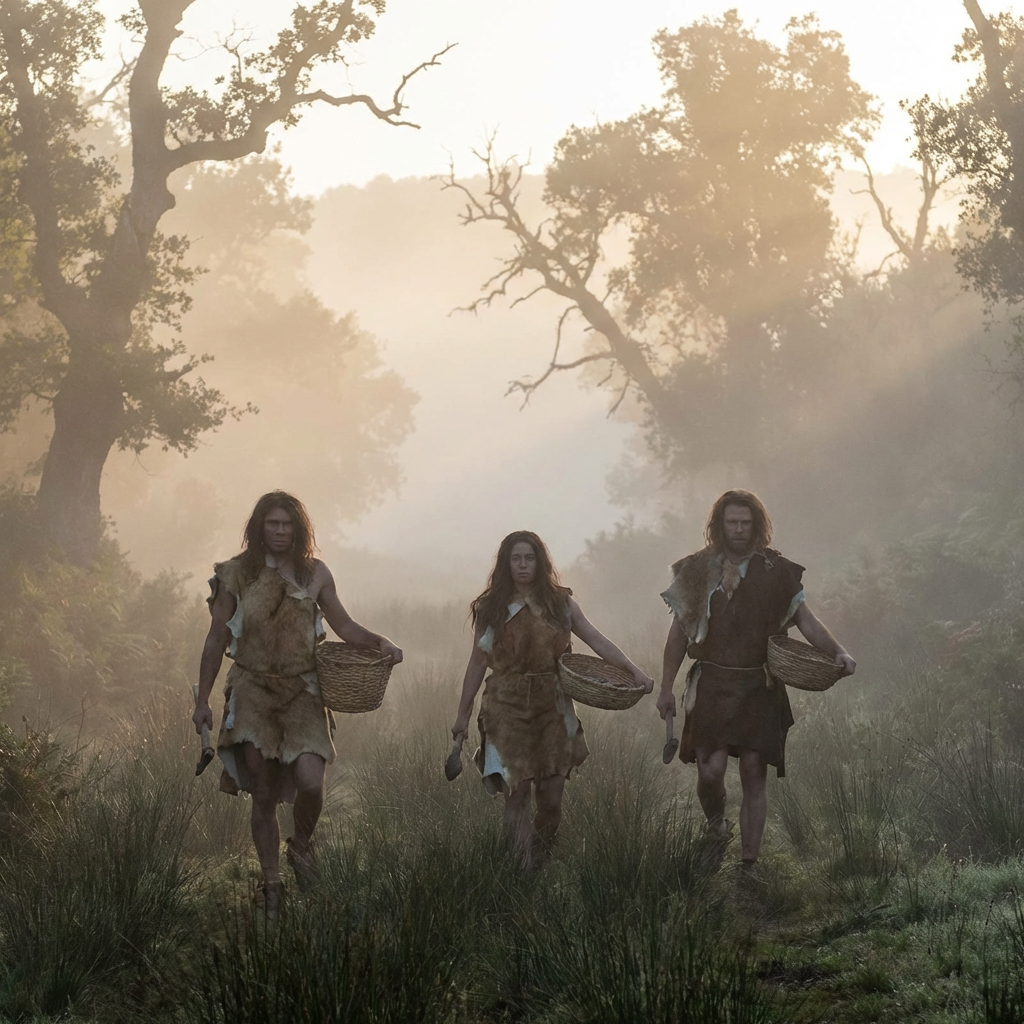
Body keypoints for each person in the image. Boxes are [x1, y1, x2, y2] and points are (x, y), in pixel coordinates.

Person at [192, 491, 402, 909]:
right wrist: (202, 700)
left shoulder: (314, 573)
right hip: (252, 690)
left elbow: (343, 624)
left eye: (287, 524)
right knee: (264, 792)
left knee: (310, 779)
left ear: (299, 529)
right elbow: (217, 637)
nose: (280, 531)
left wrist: (381, 642)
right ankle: (271, 885)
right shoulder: (234, 574)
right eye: (272, 523)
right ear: (259, 528)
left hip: (304, 690)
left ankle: (302, 843)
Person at [655, 490, 855, 867]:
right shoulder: (697, 571)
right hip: (712, 683)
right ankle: (716, 824)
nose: (739, 530)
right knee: (710, 770)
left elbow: (805, 621)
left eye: (746, 523)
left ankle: (749, 863)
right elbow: (678, 635)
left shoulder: (774, 571)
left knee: (752, 771)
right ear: (718, 525)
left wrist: (838, 652)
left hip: (758, 685)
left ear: (757, 525)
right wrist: (666, 688)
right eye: (731, 522)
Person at [451, 530, 653, 869]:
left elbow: (596, 640)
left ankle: (540, 861)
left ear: (540, 562)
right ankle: (521, 873)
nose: (523, 565)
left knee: (551, 800)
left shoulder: (561, 604)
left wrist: (634, 671)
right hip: (505, 704)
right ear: (505, 564)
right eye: (516, 559)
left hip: (553, 706)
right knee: (517, 794)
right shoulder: (491, 609)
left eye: (529, 558)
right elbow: (477, 662)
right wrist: (462, 716)